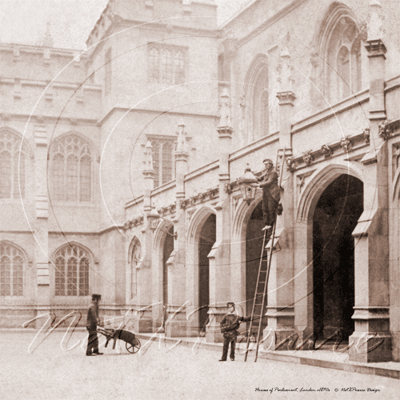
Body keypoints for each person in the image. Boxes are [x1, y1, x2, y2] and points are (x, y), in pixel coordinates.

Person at [258, 159, 281, 235]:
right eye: (265, 164)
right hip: (265, 193)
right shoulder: (266, 172)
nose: (265, 166)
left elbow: (269, 182)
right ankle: (266, 223)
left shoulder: (273, 172)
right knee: (264, 208)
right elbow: (259, 178)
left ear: (270, 164)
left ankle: (270, 223)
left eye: (267, 164)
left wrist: (260, 184)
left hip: (272, 193)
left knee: (271, 208)